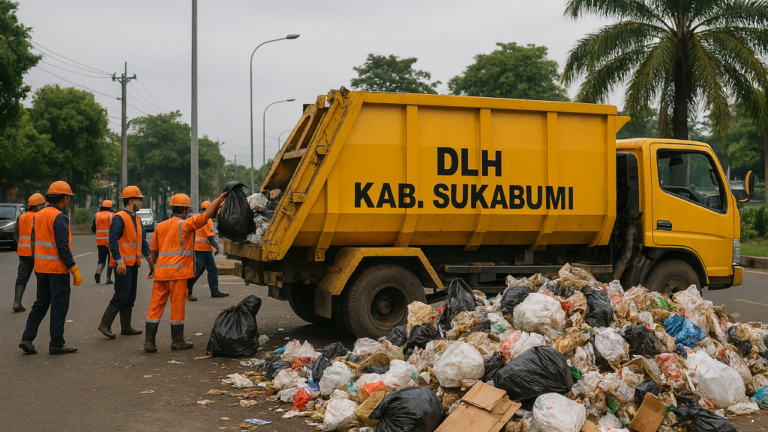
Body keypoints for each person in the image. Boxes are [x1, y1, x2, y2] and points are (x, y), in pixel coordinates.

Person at [143, 192, 227, 353]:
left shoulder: (160, 226)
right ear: (185, 210)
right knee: (177, 307)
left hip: (161, 274)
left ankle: (149, 342)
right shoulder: (186, 224)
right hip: (178, 274)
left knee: (155, 307)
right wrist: (219, 199)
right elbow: (206, 215)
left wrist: (152, 268)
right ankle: (177, 341)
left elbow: (153, 250)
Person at [19, 181, 82, 355]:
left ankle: (27, 338)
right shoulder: (59, 217)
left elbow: (33, 242)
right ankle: (56, 343)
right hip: (57, 269)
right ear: (65, 198)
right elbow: (62, 247)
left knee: (40, 304)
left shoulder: (38, 215)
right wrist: (74, 269)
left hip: (41, 268)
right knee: (59, 305)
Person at [97, 186, 153, 339]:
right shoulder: (119, 217)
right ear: (132, 200)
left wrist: (149, 260)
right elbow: (112, 241)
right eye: (139, 200)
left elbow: (142, 242)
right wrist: (119, 261)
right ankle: (105, 324)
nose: (141, 202)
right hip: (123, 265)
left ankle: (126, 327)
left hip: (133, 264)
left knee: (130, 295)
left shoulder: (137, 219)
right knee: (121, 294)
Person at [186, 200, 228, 301]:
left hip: (202, 249)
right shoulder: (206, 220)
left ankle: (214, 291)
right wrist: (217, 247)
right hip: (202, 249)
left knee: (211, 270)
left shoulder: (197, 218)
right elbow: (210, 237)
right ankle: (187, 290)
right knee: (197, 272)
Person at [12, 193, 46, 312]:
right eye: (42, 204)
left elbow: (16, 235)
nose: (43, 206)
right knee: (41, 278)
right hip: (37, 252)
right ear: (37, 206)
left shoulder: (21, 217)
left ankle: (17, 302)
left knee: (21, 277)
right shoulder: (39, 216)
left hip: (23, 252)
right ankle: (40, 303)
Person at [91, 200, 115, 284]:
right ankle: (108, 278)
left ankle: (98, 272)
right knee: (111, 260)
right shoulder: (112, 215)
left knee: (101, 259)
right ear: (110, 207)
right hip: (110, 242)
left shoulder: (96, 215)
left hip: (100, 242)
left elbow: (93, 229)